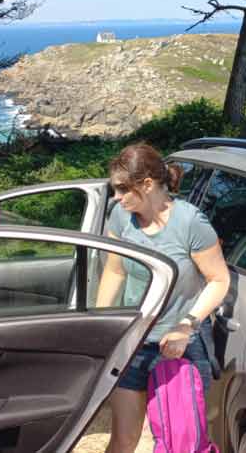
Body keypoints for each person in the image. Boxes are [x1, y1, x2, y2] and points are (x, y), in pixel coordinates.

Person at [97, 144, 230, 453]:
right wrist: (103, 327)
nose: (116, 197)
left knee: (182, 443)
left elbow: (219, 280)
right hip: (133, 345)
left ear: (146, 184)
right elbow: (115, 272)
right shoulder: (120, 216)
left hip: (178, 348)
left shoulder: (190, 223)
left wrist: (186, 327)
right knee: (124, 439)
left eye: (121, 189)